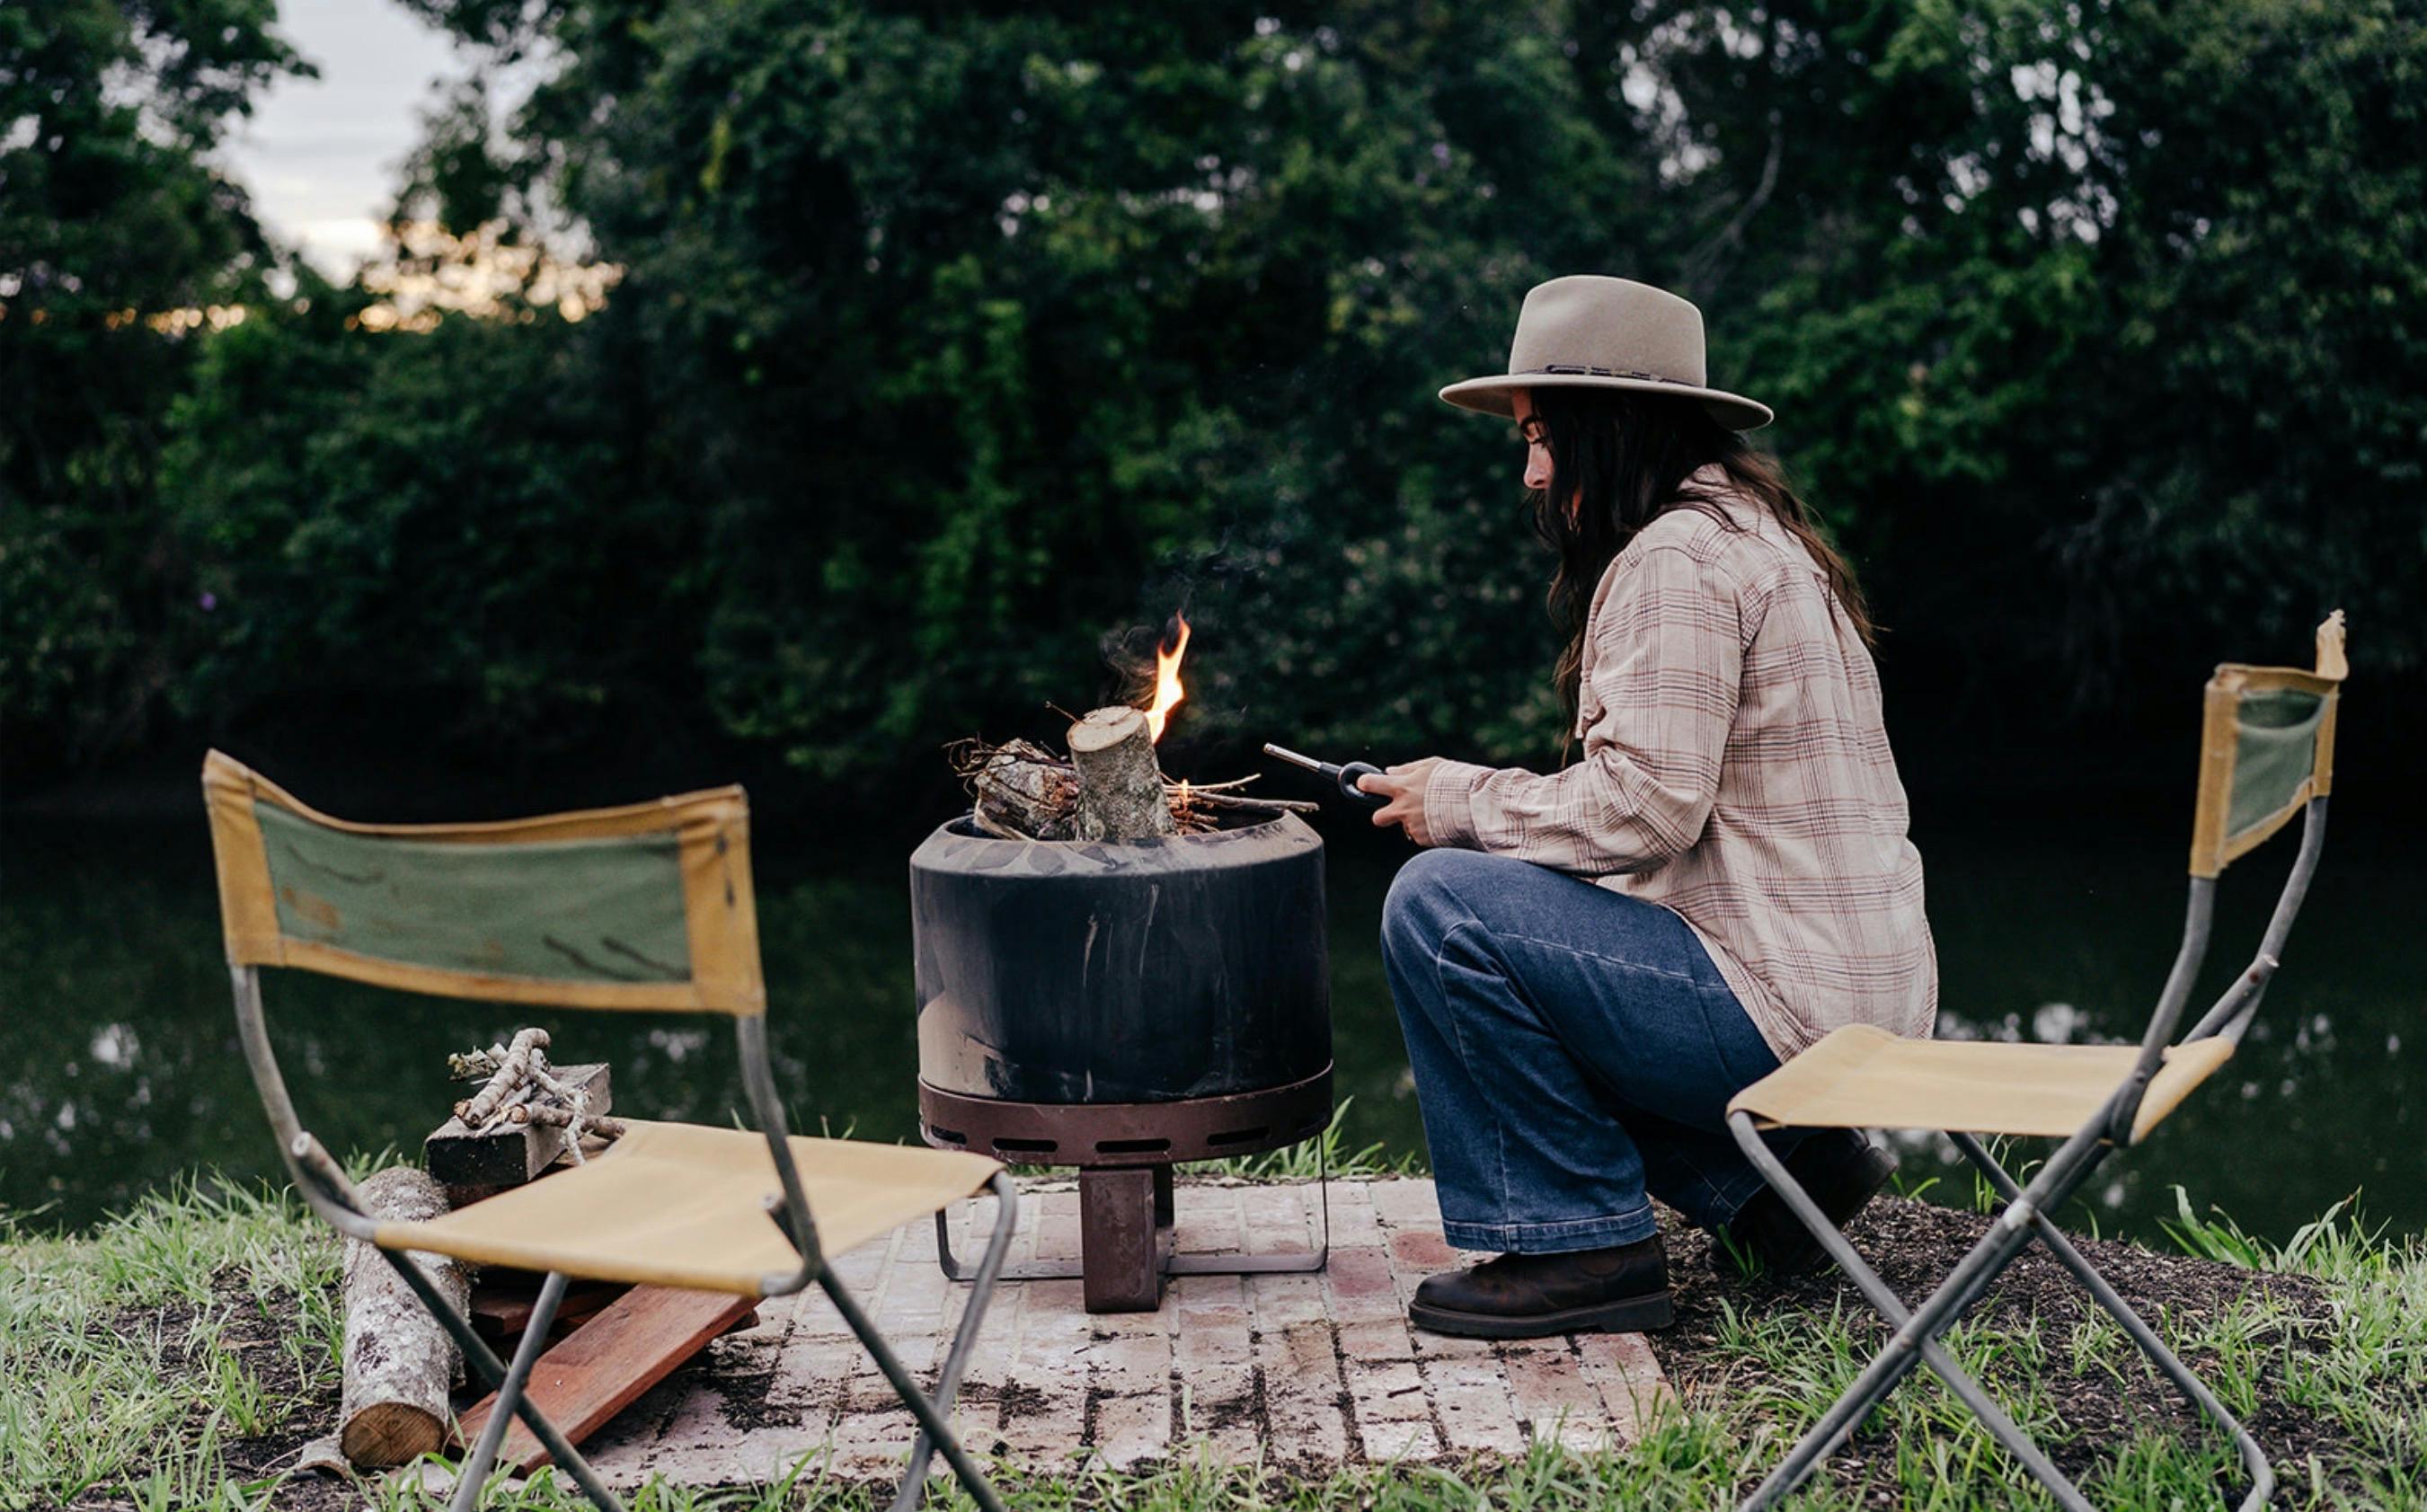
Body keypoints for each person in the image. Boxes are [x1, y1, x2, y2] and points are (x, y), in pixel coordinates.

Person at [1357, 275, 1935, 1340]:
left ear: (1607, 427)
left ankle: (1581, 1250)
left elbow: (1641, 810)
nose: (1530, 471)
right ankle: (1771, 1189)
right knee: (1519, 910)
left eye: (1540, 437)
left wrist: (1459, 800)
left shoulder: (1674, 558)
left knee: (1443, 906)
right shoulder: (1759, 536)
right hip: (1863, 1001)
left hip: (1789, 1013)